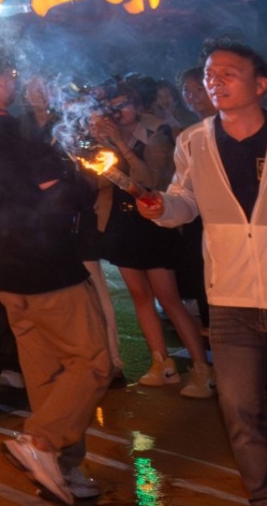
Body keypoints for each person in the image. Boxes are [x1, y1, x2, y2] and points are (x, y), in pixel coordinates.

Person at [140, 39, 267, 506]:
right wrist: (162, 208)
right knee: (241, 414)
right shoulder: (192, 141)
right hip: (232, 300)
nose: (214, 81)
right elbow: (184, 202)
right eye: (209, 74)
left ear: (261, 85)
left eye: (228, 74)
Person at [0, 39, 110, 506]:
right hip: (47, 268)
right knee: (93, 362)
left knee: (48, 377)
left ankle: (64, 465)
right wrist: (83, 182)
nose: (15, 81)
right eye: (11, 74)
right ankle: (40, 440)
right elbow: (59, 197)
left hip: (2, 273)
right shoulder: (17, 134)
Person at [89, 79, 213, 396]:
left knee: (168, 299)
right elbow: (98, 182)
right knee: (139, 296)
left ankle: (202, 369)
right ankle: (162, 363)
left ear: (139, 106)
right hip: (122, 222)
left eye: (123, 104)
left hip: (155, 222)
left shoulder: (157, 134)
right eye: (111, 107)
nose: (117, 112)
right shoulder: (105, 138)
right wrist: (97, 147)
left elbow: (152, 180)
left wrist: (122, 145)